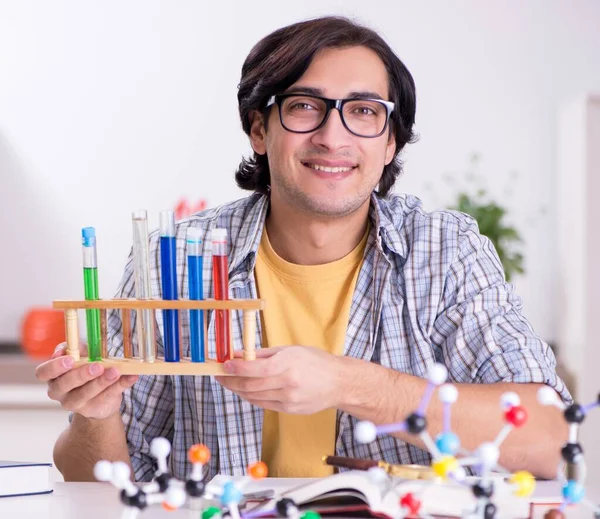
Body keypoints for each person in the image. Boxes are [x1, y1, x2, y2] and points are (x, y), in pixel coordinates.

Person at [36, 15, 570, 483]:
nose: (332, 137)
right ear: (259, 130)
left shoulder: (446, 251)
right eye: (305, 106)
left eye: (363, 111)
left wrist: (351, 383)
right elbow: (96, 477)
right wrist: (95, 415)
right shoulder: (173, 260)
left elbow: (548, 440)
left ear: (390, 143)